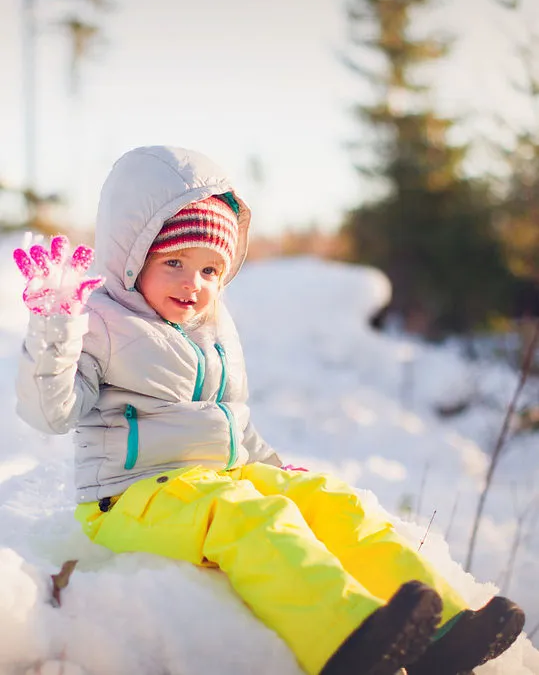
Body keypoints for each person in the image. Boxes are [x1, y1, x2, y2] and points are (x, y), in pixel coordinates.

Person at [14, 146, 525, 675]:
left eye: (211, 269)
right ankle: (345, 634)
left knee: (330, 502)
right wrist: (55, 330)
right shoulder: (97, 322)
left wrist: (276, 471)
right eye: (174, 263)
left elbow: (229, 420)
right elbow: (52, 413)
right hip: (131, 497)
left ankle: (441, 630)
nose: (195, 284)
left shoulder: (212, 326)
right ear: (129, 255)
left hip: (212, 480)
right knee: (252, 519)